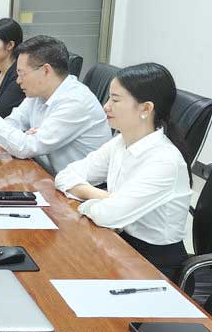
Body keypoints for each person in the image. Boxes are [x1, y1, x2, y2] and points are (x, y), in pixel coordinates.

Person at [55, 63, 191, 280]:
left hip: (154, 266)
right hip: (116, 244)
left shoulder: (165, 161)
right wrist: (105, 197)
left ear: (145, 109)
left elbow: (108, 216)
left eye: (115, 100)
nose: (106, 107)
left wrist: (97, 202)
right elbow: (65, 175)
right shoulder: (121, 141)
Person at [0, 35, 111, 174]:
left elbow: (24, 148)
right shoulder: (38, 93)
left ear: (46, 70)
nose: (18, 80)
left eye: (22, 74)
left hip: (80, 189)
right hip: (46, 173)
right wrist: (24, 137)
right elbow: (12, 124)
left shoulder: (75, 102)